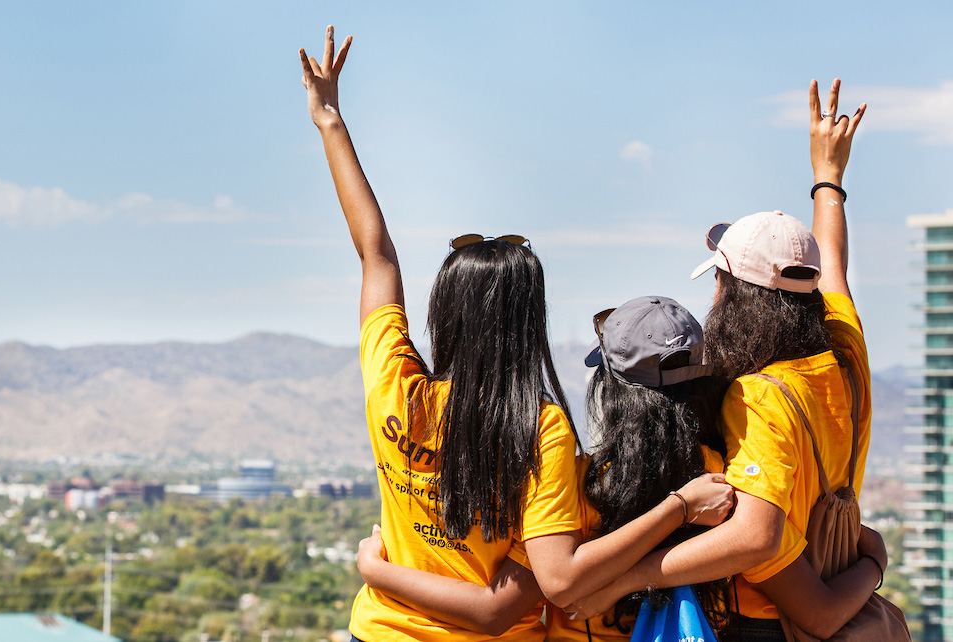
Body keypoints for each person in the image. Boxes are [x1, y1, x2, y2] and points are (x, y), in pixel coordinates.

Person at [298, 26, 732, 642]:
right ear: (530, 323)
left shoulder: (395, 384)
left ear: (445, 311)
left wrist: (330, 122)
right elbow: (506, 606)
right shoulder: (541, 430)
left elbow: (377, 258)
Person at [566, 79, 888, 642]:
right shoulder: (845, 350)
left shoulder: (760, 395)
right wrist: (828, 178)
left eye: (719, 280)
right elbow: (832, 260)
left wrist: (629, 578)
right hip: (834, 579)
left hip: (764, 619)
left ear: (735, 294)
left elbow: (756, 536)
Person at [358, 296, 734, 641]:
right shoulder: (718, 475)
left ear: (611, 390)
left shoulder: (579, 481)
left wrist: (378, 572)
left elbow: (554, 581)